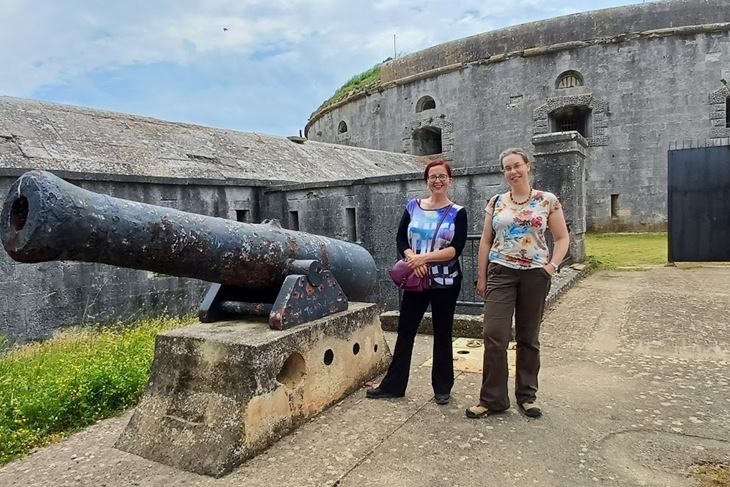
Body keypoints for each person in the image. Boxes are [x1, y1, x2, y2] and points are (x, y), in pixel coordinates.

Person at [466, 148, 569, 419]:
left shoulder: (547, 200)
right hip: (501, 271)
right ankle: (493, 399)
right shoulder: (496, 202)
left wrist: (551, 267)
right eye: (507, 168)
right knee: (494, 334)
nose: (512, 172)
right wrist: (482, 276)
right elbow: (486, 241)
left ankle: (527, 396)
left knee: (528, 337)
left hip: (535, 274)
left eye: (516, 166)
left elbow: (562, 238)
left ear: (528, 167)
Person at [367, 159, 467, 405]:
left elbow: (456, 249)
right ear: (426, 181)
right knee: (406, 331)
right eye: (432, 177)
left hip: (445, 281)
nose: (437, 181)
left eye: (442, 176)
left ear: (450, 180)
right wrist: (413, 259)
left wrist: (423, 258)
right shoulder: (413, 206)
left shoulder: (458, 212)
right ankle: (394, 385)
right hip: (416, 280)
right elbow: (402, 238)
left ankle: (442, 387)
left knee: (443, 333)